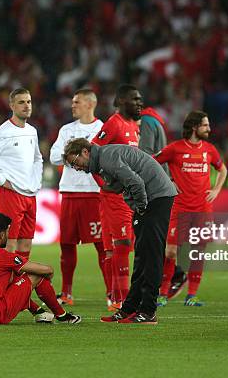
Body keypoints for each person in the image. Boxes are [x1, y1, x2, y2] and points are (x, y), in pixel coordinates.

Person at [64, 138, 177, 324]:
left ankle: (148, 311)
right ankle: (129, 309)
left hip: (156, 198)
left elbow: (136, 182)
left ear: (85, 152)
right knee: (142, 257)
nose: (76, 167)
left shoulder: (107, 158)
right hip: (155, 196)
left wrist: (140, 208)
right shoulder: (104, 160)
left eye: (75, 162)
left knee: (152, 256)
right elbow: (123, 183)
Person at [0, 87, 48, 321]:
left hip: (30, 195)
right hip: (11, 195)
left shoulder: (32, 131)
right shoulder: (2, 133)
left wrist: (36, 180)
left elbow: (37, 158)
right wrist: (2, 180)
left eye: (29, 101)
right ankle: (2, 293)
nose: (27, 106)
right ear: (12, 106)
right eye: (22, 102)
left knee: (25, 246)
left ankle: (19, 293)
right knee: (9, 246)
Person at [155, 111, 227, 307]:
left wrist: (216, 190)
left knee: (198, 252)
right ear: (194, 127)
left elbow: (222, 169)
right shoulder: (175, 149)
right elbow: (152, 164)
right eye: (205, 125)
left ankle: (192, 295)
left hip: (203, 209)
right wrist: (168, 181)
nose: (209, 129)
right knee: (170, 251)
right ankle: (162, 293)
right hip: (179, 208)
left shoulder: (210, 149)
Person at [0, 212, 81, 324]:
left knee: (10, 278)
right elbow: (48, 270)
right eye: (8, 231)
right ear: (2, 234)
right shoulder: (3, 256)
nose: (8, 235)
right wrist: (48, 279)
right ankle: (61, 315)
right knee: (36, 275)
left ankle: (38, 312)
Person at [49, 88, 108, 305]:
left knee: (102, 245)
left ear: (90, 104)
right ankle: (66, 293)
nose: (72, 105)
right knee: (66, 244)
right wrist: (78, 154)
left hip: (94, 193)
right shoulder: (66, 130)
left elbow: (105, 157)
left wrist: (72, 154)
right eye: (72, 102)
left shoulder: (103, 128)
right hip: (70, 193)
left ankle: (112, 294)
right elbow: (54, 157)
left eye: (77, 102)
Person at [92, 84, 142, 311]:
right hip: (116, 196)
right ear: (122, 101)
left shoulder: (132, 125)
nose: (140, 103)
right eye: (135, 99)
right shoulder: (113, 124)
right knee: (122, 244)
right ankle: (123, 300)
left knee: (114, 248)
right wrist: (105, 185)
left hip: (126, 194)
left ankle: (115, 297)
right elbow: (92, 153)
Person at [139, 105, 187, 298]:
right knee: (156, 239)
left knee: (148, 239)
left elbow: (146, 156)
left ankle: (172, 275)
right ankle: (170, 275)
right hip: (161, 186)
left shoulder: (147, 123)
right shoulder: (155, 121)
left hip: (153, 189)